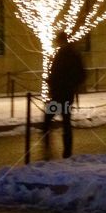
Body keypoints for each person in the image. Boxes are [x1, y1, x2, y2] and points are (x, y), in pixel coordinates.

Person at [43, 31, 86, 159]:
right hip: (65, 93)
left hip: (61, 93)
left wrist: (56, 82)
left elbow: (59, 73)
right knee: (64, 121)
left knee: (50, 119)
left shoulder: (64, 54)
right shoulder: (71, 53)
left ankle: (52, 147)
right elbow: (80, 74)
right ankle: (66, 151)